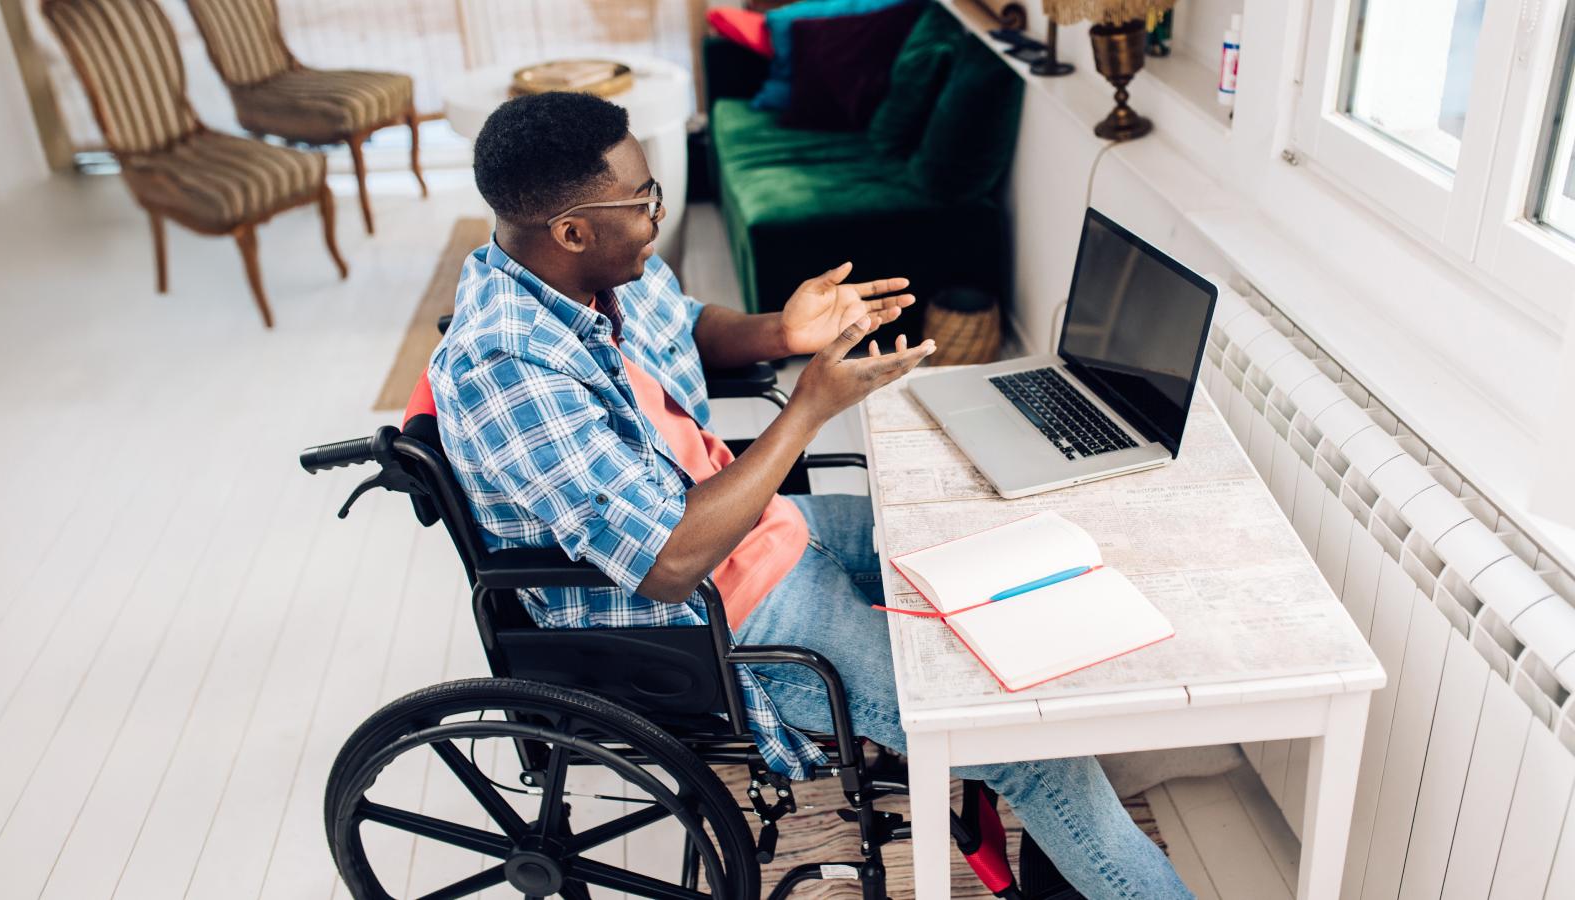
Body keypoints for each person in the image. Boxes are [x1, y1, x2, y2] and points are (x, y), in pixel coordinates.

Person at [429, 91, 1192, 900]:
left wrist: (784, 333)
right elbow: (669, 564)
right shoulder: (504, 369)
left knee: (1006, 563)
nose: (658, 215)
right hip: (720, 616)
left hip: (769, 527)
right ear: (572, 231)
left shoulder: (590, 272)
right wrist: (808, 410)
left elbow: (686, 323)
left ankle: (1056, 848)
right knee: (1037, 754)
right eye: (643, 201)